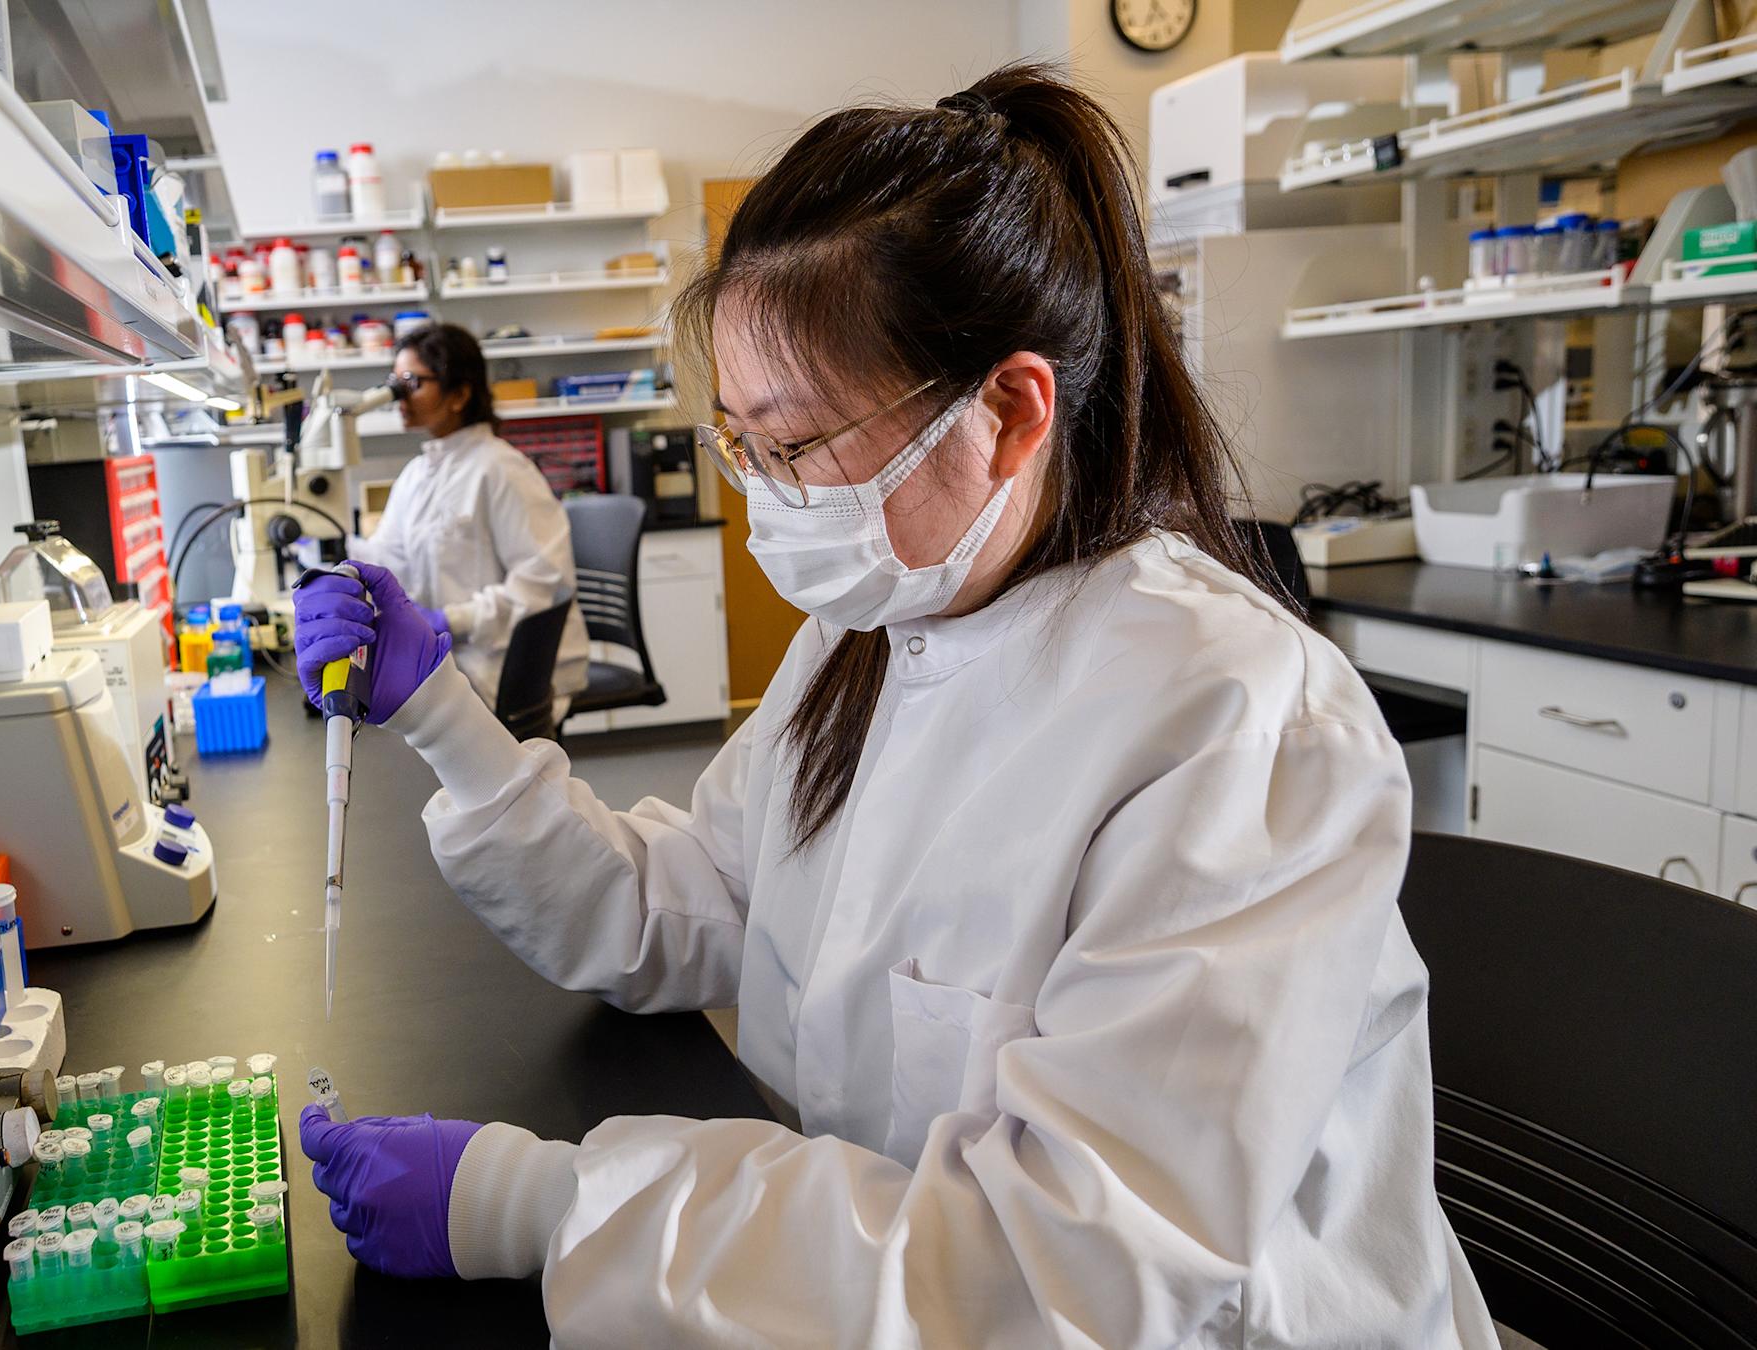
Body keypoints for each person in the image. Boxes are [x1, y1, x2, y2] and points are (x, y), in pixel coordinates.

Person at [290, 64, 1494, 1350]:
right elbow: (678, 905)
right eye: (742, 446)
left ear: (1014, 410)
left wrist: (548, 1205)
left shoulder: (1234, 724)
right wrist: (444, 720)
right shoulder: (867, 636)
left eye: (799, 446)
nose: (770, 495)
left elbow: (1062, 1279)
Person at [342, 322, 588, 712]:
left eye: (412, 382)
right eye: (395, 381)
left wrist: (451, 619)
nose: (398, 396)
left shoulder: (502, 469)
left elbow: (542, 583)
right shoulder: (417, 474)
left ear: (458, 394)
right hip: (442, 664)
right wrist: (336, 557)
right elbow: (388, 560)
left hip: (495, 670)